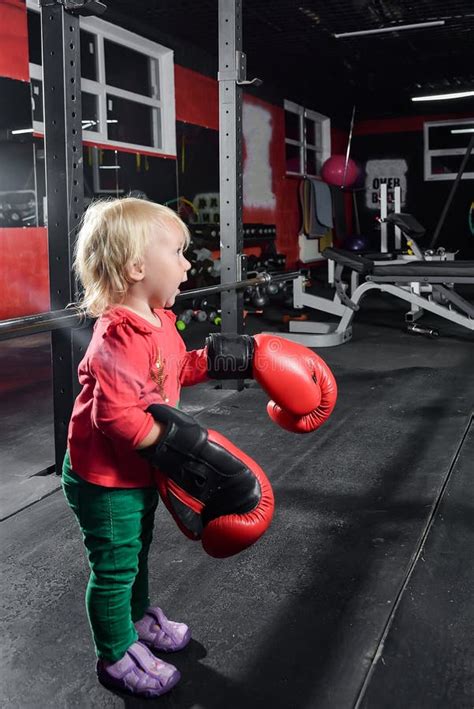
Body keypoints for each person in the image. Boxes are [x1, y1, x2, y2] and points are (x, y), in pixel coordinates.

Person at [62, 197, 212, 698]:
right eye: (178, 252)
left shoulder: (159, 320)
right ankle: (114, 654)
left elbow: (173, 370)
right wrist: (189, 452)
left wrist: (225, 361)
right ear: (137, 267)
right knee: (114, 566)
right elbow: (117, 417)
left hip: (138, 470)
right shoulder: (119, 335)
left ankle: (135, 621)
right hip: (105, 478)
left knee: (137, 552)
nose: (188, 263)